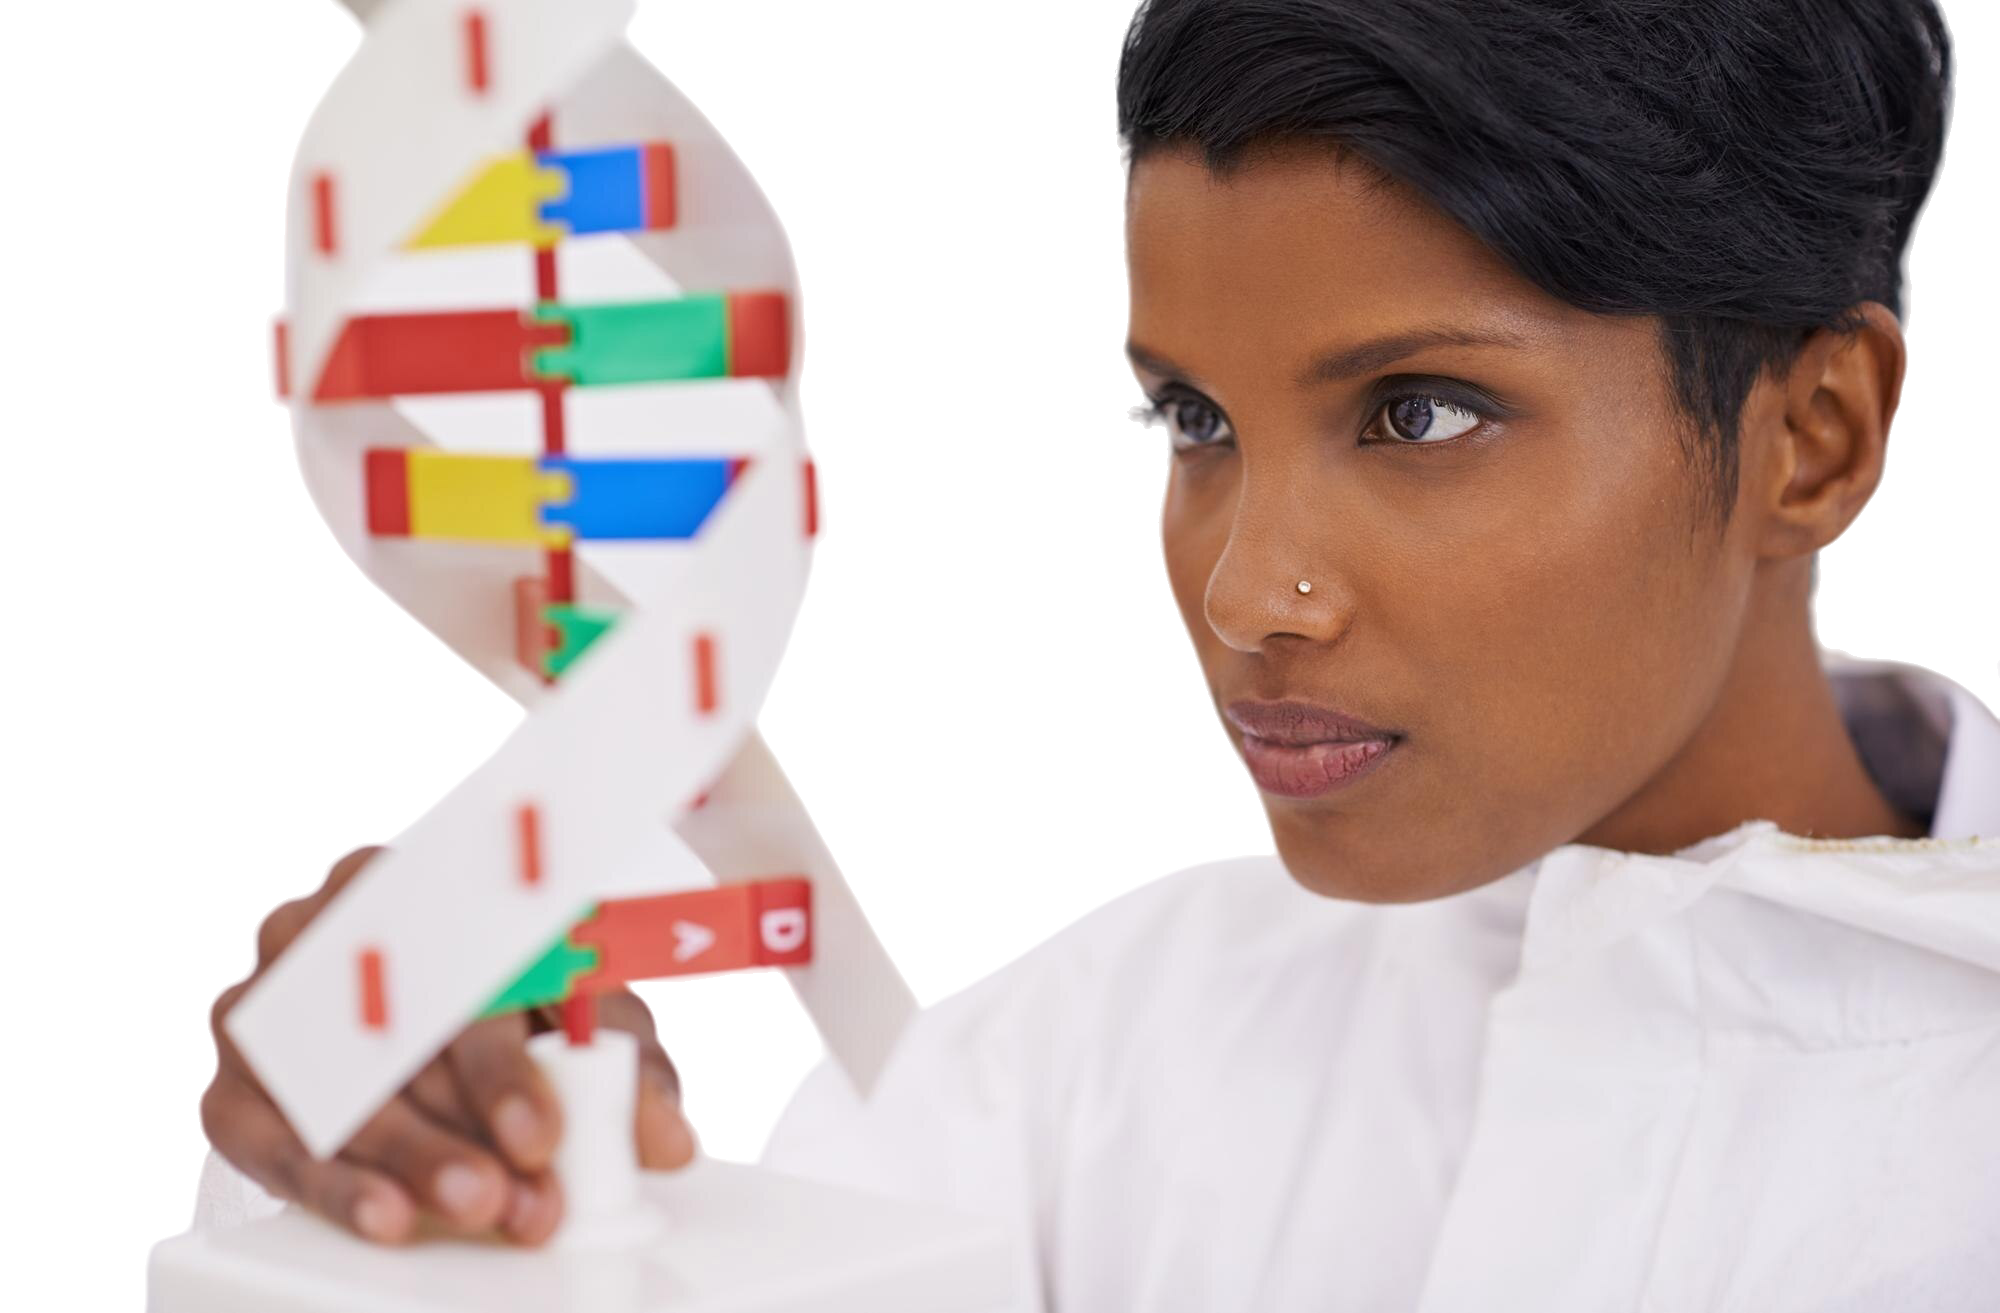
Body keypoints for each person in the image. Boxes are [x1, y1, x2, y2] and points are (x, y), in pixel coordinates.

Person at [184, 0, 1995, 1307]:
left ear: (1815, 436)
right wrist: (437, 1172)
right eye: (1190, 421)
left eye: (1421, 414)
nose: (1249, 593)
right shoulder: (1100, 1049)